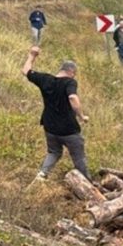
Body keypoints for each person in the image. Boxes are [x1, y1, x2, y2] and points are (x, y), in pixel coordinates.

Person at [22, 46, 90, 181]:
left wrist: (32, 56)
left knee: (54, 152)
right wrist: (82, 116)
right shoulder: (70, 82)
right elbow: (73, 98)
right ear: (71, 72)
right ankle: (88, 183)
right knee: (78, 157)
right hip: (68, 129)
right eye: (74, 73)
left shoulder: (45, 79)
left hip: (50, 126)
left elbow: (25, 71)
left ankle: (42, 175)